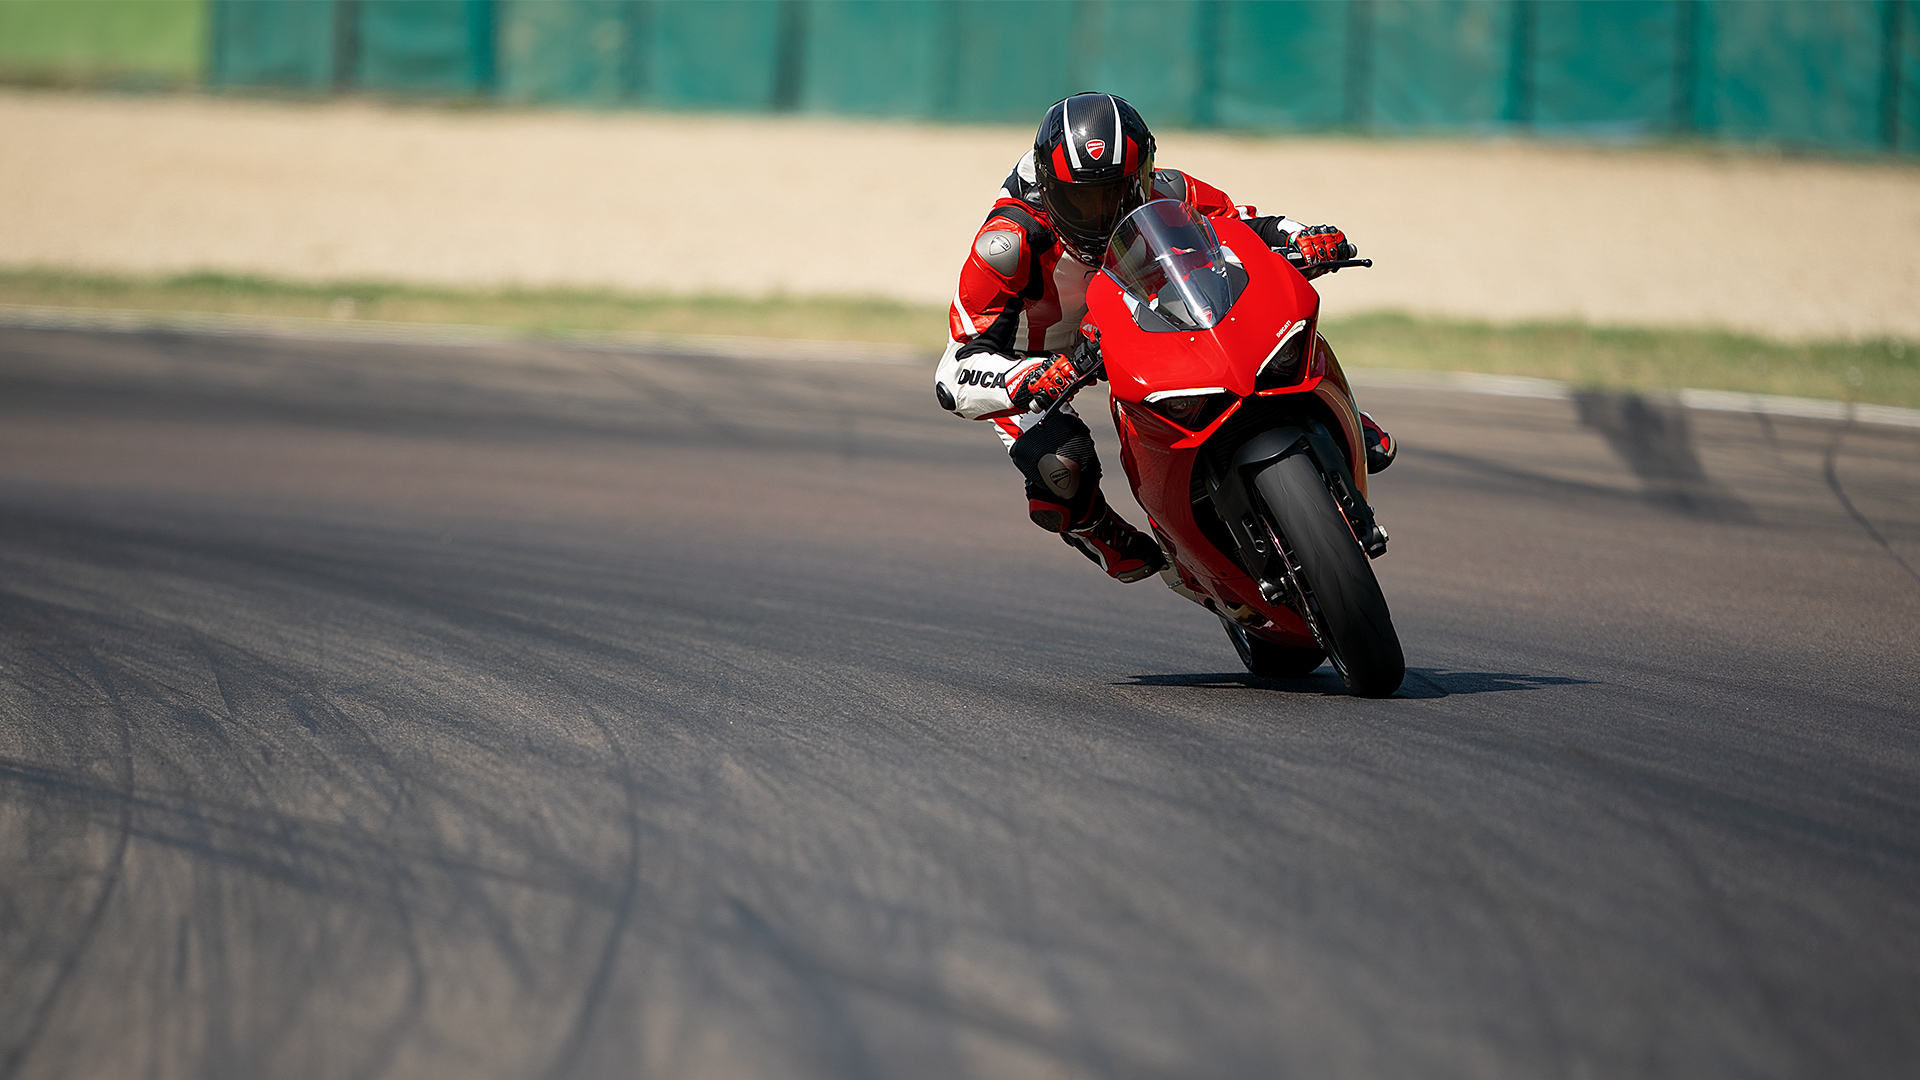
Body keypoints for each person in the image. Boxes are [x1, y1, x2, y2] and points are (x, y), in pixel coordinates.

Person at [933, 92, 1395, 583]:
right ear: (1049, 190)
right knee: (1062, 465)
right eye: (1081, 201)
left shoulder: (1166, 190)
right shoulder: (1007, 244)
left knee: (1264, 314)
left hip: (1131, 319)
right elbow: (955, 370)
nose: (1102, 215)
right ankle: (1093, 528)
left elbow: (1242, 227)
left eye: (1117, 193)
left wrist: (1301, 237)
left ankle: (1333, 407)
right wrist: (1026, 378)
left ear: (1143, 175)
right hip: (1039, 360)